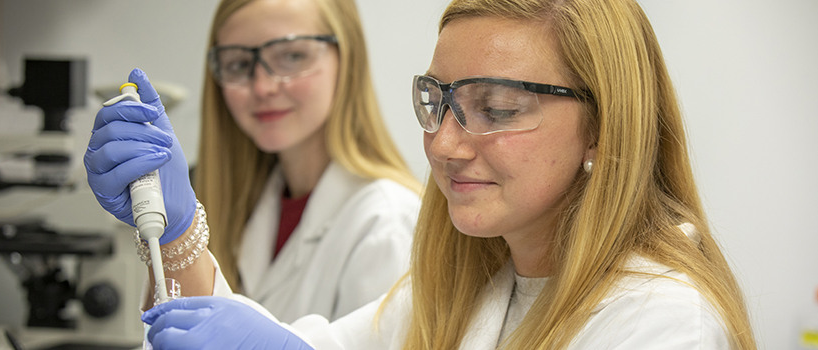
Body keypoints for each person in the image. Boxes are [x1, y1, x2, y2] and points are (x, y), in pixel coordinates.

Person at [92, 0, 759, 348]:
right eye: (435, 101)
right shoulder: (465, 289)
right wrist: (176, 232)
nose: (441, 143)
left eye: (495, 109)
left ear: (603, 129)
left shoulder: (665, 323)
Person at [85, 0, 421, 323]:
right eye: (238, 64)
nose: (262, 86)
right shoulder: (249, 205)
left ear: (348, 58)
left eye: (292, 55)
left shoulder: (387, 225)